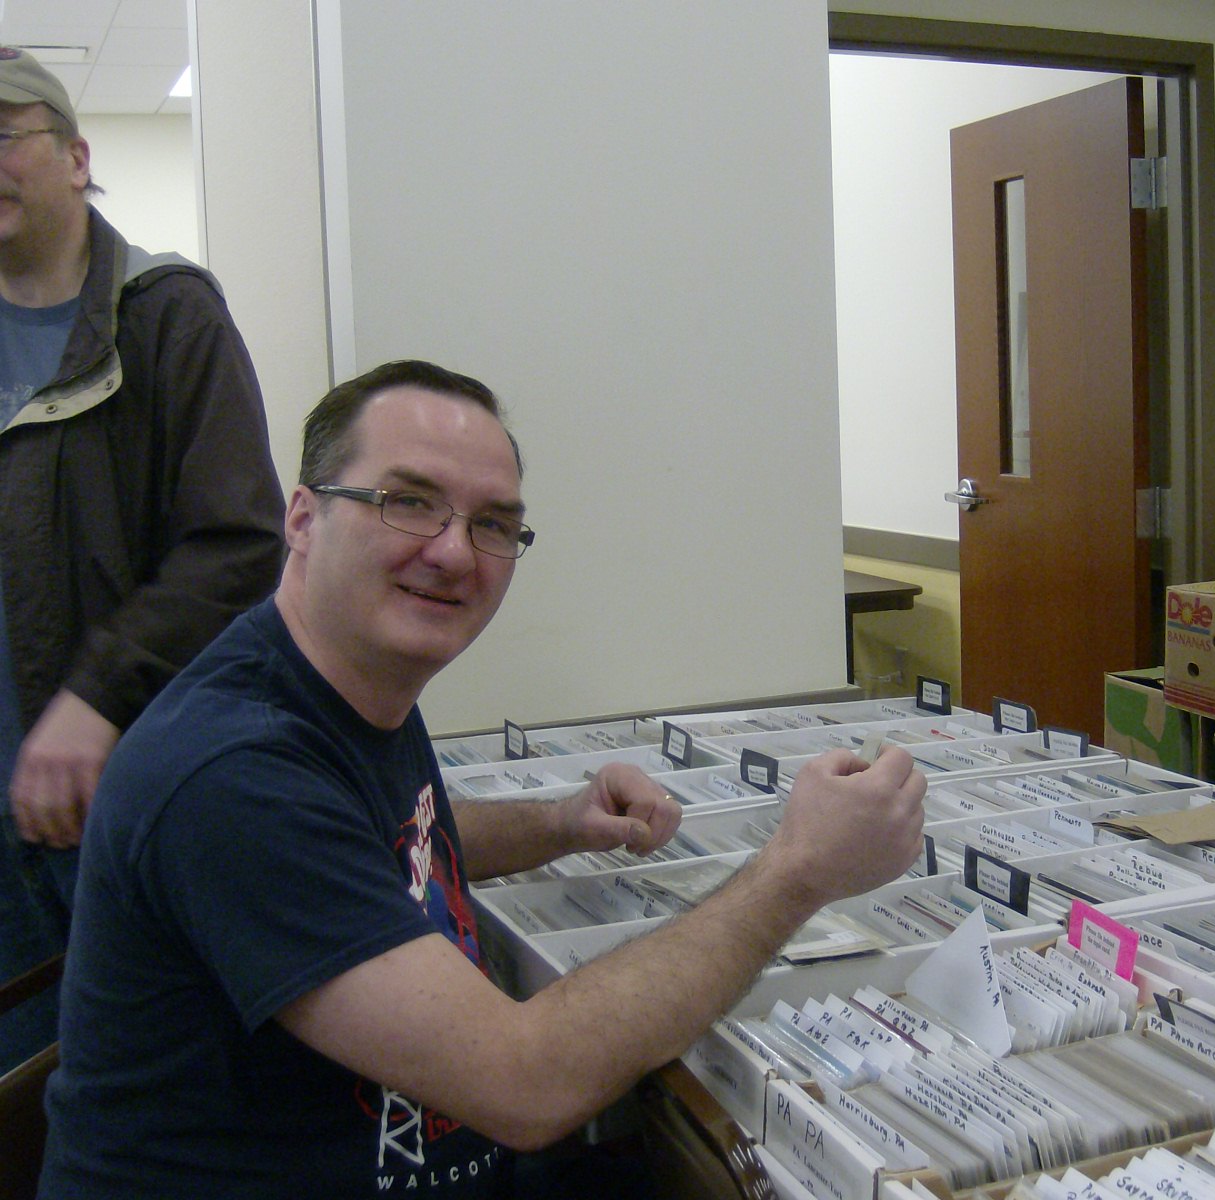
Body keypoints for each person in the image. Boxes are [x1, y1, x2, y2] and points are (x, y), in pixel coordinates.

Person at [38, 359, 927, 1197]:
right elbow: (524, 1083)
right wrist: (798, 870)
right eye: (408, 502)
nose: (455, 553)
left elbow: (386, 836)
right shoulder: (233, 773)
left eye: (493, 523)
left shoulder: (342, 684)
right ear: (304, 520)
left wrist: (560, 822)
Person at [0, 47, 284, 1069]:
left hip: (110, 790)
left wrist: (99, 695)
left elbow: (238, 542)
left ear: (76, 158)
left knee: (121, 1070)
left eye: (2, 136)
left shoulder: (165, 316)